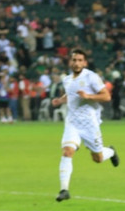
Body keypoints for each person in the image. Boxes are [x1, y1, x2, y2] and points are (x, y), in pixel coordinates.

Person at [51, 48, 119, 202]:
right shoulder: (67, 79)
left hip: (89, 124)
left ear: (85, 62)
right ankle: (64, 189)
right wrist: (60, 100)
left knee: (98, 158)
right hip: (72, 122)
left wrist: (89, 96)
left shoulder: (92, 77)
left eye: (80, 60)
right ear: (70, 62)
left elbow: (106, 96)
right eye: (74, 60)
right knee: (67, 151)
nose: (76, 63)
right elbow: (71, 94)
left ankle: (111, 152)